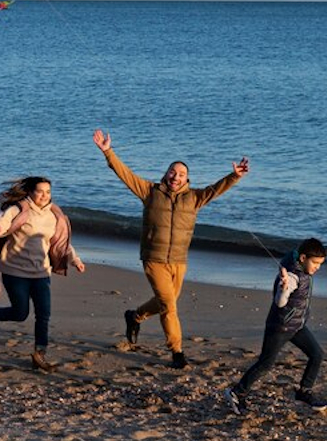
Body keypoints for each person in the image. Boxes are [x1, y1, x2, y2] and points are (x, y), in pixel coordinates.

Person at [92, 128, 249, 368]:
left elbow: (216, 189)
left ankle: (135, 317)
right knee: (169, 305)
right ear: (166, 174)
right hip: (153, 259)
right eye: (172, 172)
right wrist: (108, 152)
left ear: (187, 179)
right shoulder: (149, 192)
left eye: (181, 174)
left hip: (179, 260)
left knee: (166, 302)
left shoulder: (195, 198)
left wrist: (234, 175)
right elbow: (124, 174)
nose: (176, 176)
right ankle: (176, 351)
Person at [0, 176, 86, 372]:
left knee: (43, 314)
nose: (44, 196)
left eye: (48, 192)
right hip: (15, 270)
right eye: (40, 191)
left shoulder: (54, 215)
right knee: (20, 313)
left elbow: (60, 243)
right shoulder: (19, 210)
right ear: (30, 192)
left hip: (41, 272)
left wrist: (75, 260)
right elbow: (4, 222)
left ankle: (39, 354)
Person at [224, 238, 327, 414]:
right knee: (265, 363)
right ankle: (237, 393)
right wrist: (283, 287)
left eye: (320, 264)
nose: (318, 267)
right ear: (303, 258)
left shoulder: (301, 268)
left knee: (317, 354)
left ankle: (304, 391)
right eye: (315, 263)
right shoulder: (293, 276)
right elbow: (280, 302)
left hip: (297, 326)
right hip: (279, 327)